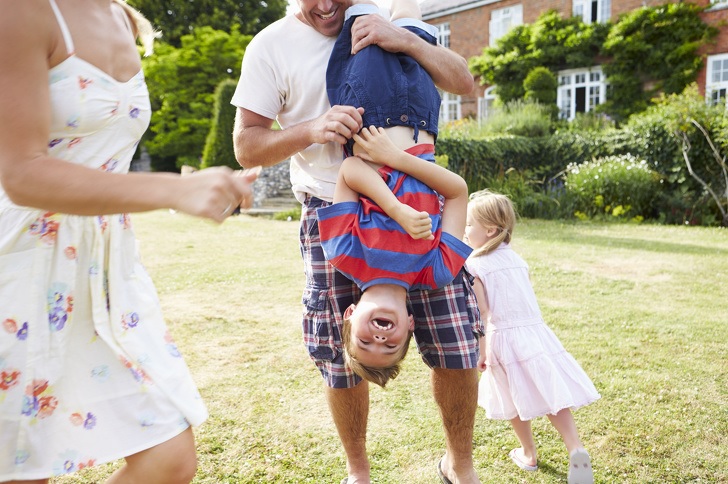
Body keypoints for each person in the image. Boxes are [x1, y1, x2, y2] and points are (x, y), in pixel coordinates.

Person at [0, 1, 258, 482]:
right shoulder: (22, 10)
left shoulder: (120, 16)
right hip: (23, 263)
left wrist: (202, 185)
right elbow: (21, 174)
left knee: (170, 457)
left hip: (105, 270)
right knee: (24, 471)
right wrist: (175, 190)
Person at [231, 0, 482, 482]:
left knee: (455, 347)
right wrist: (310, 130)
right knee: (339, 360)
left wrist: (403, 38)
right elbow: (246, 146)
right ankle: (359, 472)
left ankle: (461, 467)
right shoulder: (271, 45)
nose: (325, 6)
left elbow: (463, 81)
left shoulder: (386, 11)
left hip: (417, 203)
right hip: (332, 211)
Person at [317, 0, 471, 385]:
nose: (380, 338)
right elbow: (458, 192)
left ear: (349, 315)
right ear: (410, 325)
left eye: (366, 342)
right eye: (390, 345)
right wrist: (397, 159)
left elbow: (351, 169)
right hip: (421, 117)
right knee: (408, 15)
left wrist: (397, 207)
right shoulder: (436, 270)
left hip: (367, 106)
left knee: (364, 13)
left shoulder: (344, 255)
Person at [464, 190, 600, 484]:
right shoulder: (518, 260)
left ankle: (528, 453)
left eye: (468, 224)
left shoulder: (474, 265)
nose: (465, 231)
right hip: (536, 334)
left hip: (502, 337)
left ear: (490, 230)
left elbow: (484, 313)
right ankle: (575, 447)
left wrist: (482, 350)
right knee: (551, 393)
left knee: (512, 397)